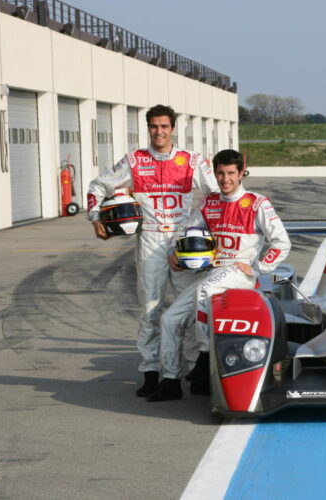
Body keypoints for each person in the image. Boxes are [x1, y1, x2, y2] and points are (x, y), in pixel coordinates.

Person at [86, 104, 218, 397]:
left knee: (193, 309)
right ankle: (151, 372)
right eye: (154, 127)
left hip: (185, 244)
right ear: (148, 128)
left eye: (164, 127)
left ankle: (195, 370)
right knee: (150, 311)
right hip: (150, 241)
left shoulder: (191, 160)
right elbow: (98, 185)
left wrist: (203, 228)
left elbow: (217, 195)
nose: (159, 132)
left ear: (173, 129)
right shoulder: (134, 161)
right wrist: (96, 218)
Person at [148, 149, 291, 401]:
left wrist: (258, 268)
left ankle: (205, 361)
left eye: (231, 173)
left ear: (240, 173)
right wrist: (174, 250)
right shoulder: (209, 202)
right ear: (215, 174)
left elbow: (281, 242)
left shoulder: (257, 203)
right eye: (221, 173)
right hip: (212, 273)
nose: (226, 179)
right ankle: (170, 381)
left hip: (239, 274)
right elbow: (186, 228)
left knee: (205, 290)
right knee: (169, 319)